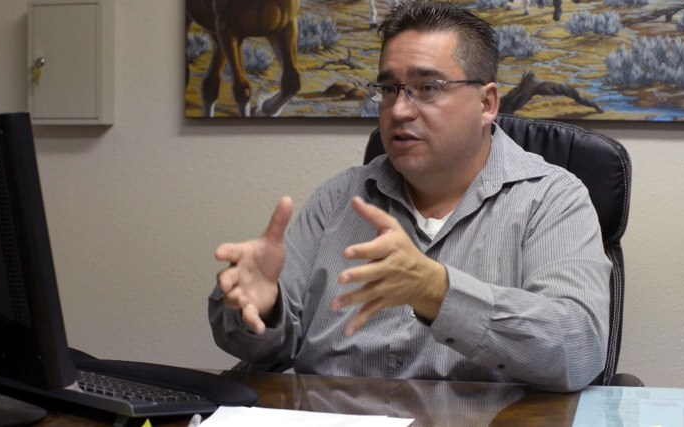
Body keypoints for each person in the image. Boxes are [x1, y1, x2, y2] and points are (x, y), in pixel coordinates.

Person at [208, 0, 611, 392]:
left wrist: (437, 290)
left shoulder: (553, 199)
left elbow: (577, 352)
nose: (399, 110)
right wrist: (261, 309)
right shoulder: (340, 197)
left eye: (427, 88)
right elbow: (266, 348)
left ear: (486, 104)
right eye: (388, 88)